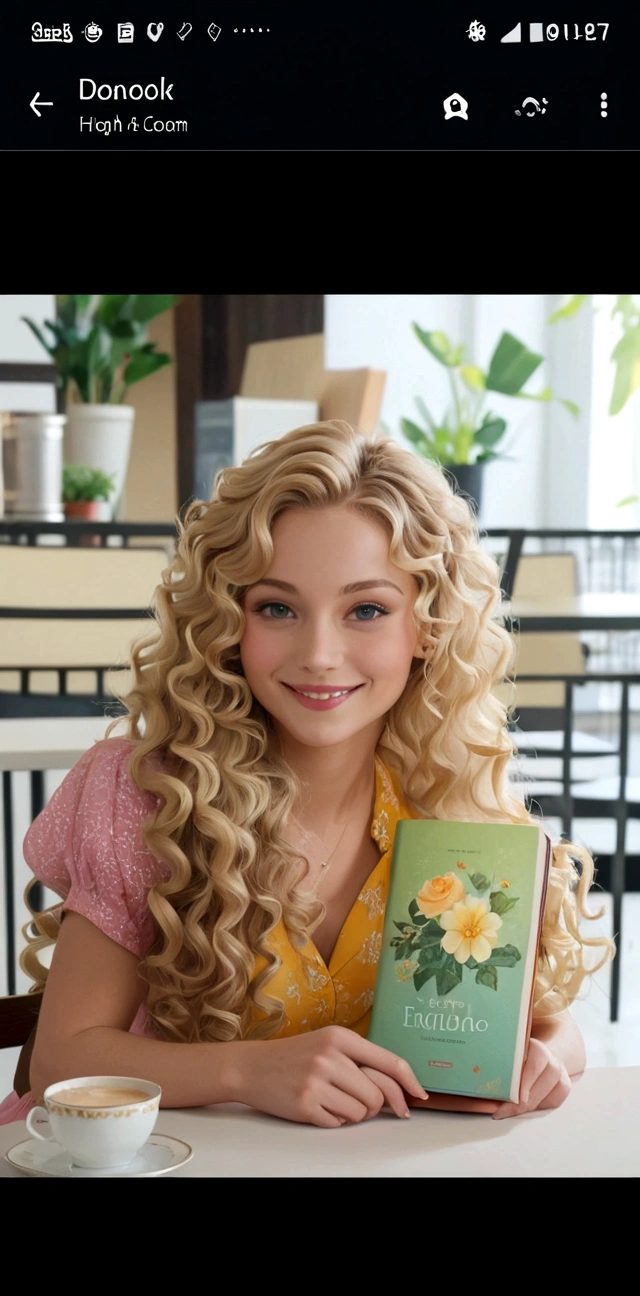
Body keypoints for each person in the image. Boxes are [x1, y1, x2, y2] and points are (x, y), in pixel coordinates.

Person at [0, 419, 614, 1129]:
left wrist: (550, 1055)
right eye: (278, 608)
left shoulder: (453, 805)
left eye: (367, 610)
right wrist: (248, 1071)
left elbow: (549, 1030)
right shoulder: (148, 797)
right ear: (229, 622)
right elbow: (61, 1060)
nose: (320, 653)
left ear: (429, 627)